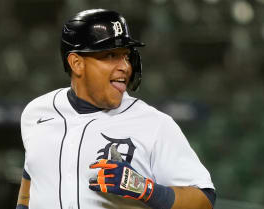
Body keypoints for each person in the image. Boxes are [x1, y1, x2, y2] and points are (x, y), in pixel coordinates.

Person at [16, 8, 216, 209]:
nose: (125, 67)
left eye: (126, 56)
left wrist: (146, 189)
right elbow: (31, 182)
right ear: (76, 63)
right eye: (111, 55)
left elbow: (204, 201)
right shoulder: (36, 113)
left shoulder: (154, 124)